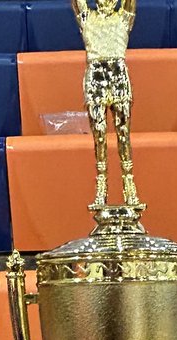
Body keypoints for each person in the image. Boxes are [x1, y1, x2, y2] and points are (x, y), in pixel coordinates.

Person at [71, 0, 140, 208]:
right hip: (96, 77)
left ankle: (129, 184)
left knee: (123, 133)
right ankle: (101, 185)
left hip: (118, 76)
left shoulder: (123, 18)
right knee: (99, 135)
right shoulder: (87, 18)